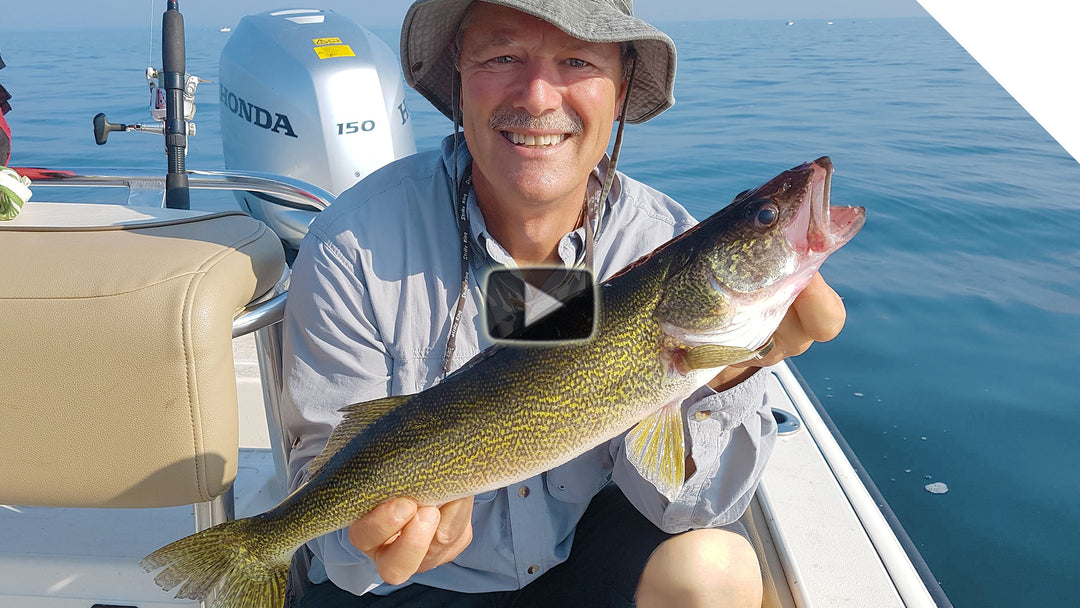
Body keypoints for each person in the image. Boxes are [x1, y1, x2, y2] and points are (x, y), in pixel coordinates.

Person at [279, 1, 849, 606]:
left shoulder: (658, 244)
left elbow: (693, 507)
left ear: (621, 88)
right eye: (503, 57)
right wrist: (368, 538)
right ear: (458, 77)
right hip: (398, 589)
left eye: (577, 59)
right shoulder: (355, 243)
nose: (538, 95)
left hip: (569, 560)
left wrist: (733, 370)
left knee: (715, 567)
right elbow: (328, 489)